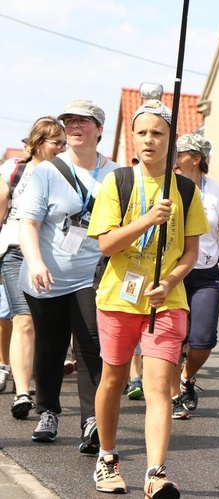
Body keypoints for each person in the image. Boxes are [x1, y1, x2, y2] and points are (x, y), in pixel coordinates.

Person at [87, 99, 208, 498]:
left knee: (158, 386)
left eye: (158, 133)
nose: (149, 140)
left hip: (167, 301)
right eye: (142, 132)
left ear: (171, 140)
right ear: (132, 138)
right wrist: (147, 220)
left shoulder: (186, 190)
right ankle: (107, 458)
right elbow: (106, 244)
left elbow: (191, 252)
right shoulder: (117, 182)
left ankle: (156, 472)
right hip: (119, 298)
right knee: (114, 378)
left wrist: (170, 279)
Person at [17, 102, 120, 453]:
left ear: (99, 129)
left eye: (83, 121)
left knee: (92, 343)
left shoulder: (118, 175)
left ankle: (91, 420)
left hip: (92, 275)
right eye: (70, 121)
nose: (75, 126)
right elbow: (28, 222)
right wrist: (34, 262)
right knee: (51, 344)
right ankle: (48, 411)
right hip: (47, 275)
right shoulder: (47, 171)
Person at [0, 117, 67, 418]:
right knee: (23, 319)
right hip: (15, 251)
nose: (62, 149)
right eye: (57, 143)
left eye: (64, 143)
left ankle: (39, 381)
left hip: (51, 254)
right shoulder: (13, 169)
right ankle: (22, 391)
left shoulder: (65, 173)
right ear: (40, 143)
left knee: (45, 324)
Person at [170, 133, 219, 420]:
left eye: (180, 154)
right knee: (173, 339)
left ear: (195, 158)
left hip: (206, 272)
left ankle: (187, 377)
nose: (174, 159)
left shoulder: (218, 192)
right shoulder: (168, 187)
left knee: (202, 340)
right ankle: (173, 395)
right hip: (173, 273)